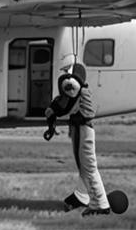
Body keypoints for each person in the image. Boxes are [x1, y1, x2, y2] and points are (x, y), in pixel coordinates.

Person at [43, 63, 111, 216]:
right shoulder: (81, 91)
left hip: (82, 130)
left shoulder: (75, 88)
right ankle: (84, 196)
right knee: (85, 167)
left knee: (89, 168)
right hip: (80, 129)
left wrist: (52, 110)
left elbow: (64, 106)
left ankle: (100, 204)